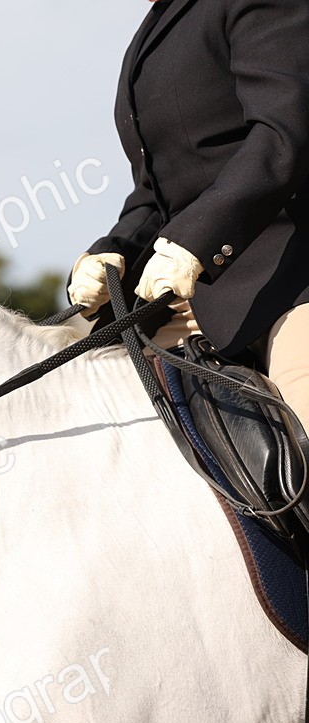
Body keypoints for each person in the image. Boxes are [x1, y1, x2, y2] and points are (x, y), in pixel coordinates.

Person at [68, 0, 309, 427]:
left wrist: (197, 243)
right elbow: (157, 193)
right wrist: (111, 253)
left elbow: (285, 134)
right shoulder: (152, 31)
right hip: (199, 299)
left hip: (294, 280)